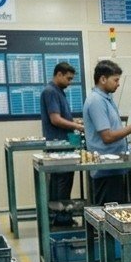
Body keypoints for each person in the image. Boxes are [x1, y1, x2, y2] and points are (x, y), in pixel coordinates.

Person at [83, 59, 131, 205]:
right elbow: (107, 137)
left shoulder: (106, 99)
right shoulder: (96, 101)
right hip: (106, 170)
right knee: (108, 213)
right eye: (115, 80)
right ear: (103, 79)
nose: (118, 83)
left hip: (114, 167)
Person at [40, 61, 84, 206]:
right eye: (68, 78)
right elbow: (55, 119)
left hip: (63, 145)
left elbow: (61, 116)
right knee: (61, 182)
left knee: (63, 180)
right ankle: (61, 218)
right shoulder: (50, 91)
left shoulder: (58, 92)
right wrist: (78, 127)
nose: (70, 82)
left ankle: (61, 215)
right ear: (59, 74)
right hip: (58, 146)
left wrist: (74, 121)